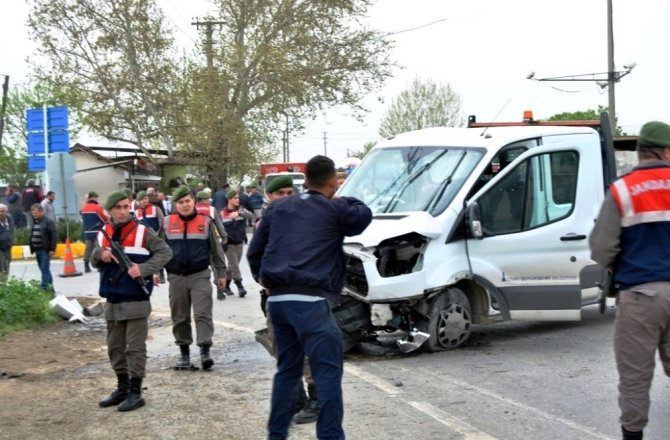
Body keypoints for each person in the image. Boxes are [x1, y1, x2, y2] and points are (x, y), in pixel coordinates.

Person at [247, 155, 372, 440]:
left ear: (304, 180)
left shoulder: (277, 208)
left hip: (277, 302)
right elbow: (363, 215)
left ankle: (276, 435)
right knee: (327, 373)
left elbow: (255, 253)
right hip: (311, 303)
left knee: (287, 372)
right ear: (332, 182)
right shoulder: (334, 209)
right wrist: (342, 195)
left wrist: (264, 280)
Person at [589, 121, 670, 440]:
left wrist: (624, 264)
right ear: (665, 151)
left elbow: (601, 248)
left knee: (635, 379)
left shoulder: (622, 189)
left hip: (639, 297)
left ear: (640, 152)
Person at [92, 190, 172, 412]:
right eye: (118, 207)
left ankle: (136, 392)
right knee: (115, 347)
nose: (123, 211)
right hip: (112, 298)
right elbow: (92, 259)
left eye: (126, 206)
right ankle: (122, 388)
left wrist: (143, 269)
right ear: (109, 210)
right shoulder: (102, 233)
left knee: (135, 348)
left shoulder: (142, 231)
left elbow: (165, 253)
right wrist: (101, 255)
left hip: (136, 298)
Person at [162, 185, 227, 370]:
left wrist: (221, 273)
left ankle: (205, 351)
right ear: (175, 204)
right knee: (180, 316)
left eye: (188, 201)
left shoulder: (206, 221)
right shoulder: (167, 222)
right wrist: (155, 272)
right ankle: (184, 354)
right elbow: (159, 250)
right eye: (181, 202)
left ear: (193, 201)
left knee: (202, 313)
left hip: (200, 275)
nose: (185, 205)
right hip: (176, 277)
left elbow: (216, 251)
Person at [195, 191, 229, 300]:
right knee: (217, 265)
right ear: (205, 200)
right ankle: (220, 291)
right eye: (208, 199)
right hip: (212, 242)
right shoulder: (211, 210)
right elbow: (219, 226)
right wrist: (224, 237)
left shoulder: (192, 209)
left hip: (198, 243)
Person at [221, 189, 253, 297]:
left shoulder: (241, 210)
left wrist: (239, 213)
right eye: (235, 198)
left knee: (232, 266)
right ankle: (240, 287)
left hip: (239, 242)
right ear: (229, 200)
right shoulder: (222, 213)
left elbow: (250, 216)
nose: (238, 200)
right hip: (228, 244)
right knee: (234, 265)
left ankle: (225, 285)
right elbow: (218, 228)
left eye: (238, 197)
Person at [29, 203, 57, 291]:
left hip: (44, 250)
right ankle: (50, 287)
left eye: (36, 213)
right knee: (43, 269)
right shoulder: (35, 221)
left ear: (42, 212)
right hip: (37, 250)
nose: (34, 215)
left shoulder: (48, 221)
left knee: (44, 269)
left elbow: (54, 235)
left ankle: (44, 288)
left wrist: (52, 249)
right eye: (33, 213)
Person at [80, 191, 109, 273]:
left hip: (87, 232)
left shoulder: (84, 208)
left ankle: (86, 266)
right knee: (98, 249)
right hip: (97, 232)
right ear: (94, 197)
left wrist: (86, 202)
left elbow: (81, 213)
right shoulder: (97, 207)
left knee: (88, 249)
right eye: (96, 197)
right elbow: (104, 218)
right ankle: (99, 267)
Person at [0, 203, 15, 282]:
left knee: (7, 263)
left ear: (6, 212)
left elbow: (12, 230)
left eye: (2, 211)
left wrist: (12, 240)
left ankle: (5, 282)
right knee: (1, 266)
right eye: (0, 211)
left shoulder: (9, 218)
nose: (1, 213)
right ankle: (2, 284)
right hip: (0, 248)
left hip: (8, 247)